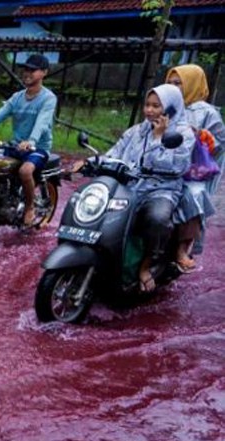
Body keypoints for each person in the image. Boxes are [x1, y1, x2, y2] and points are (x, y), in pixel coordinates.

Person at [82, 84, 194, 292]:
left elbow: (175, 166)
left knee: (157, 218)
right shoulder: (137, 131)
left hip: (163, 189)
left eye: (156, 106)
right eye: (147, 105)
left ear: (170, 108)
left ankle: (147, 265)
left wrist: (159, 138)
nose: (149, 110)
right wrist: (89, 161)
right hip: (131, 185)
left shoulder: (183, 134)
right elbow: (115, 152)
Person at [0, 54, 57, 227]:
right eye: (25, 69)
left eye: (32, 70)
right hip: (16, 146)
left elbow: (42, 122)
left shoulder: (48, 98)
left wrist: (32, 140)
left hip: (38, 148)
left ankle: (29, 208)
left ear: (44, 72)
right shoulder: (17, 97)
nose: (27, 73)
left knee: (25, 171)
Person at [166, 64, 224, 271]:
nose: (173, 87)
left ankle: (182, 249)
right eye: (169, 83)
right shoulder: (165, 105)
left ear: (192, 84)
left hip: (191, 172)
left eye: (178, 83)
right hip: (162, 164)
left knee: (193, 196)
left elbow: (218, 145)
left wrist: (200, 135)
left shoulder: (207, 113)